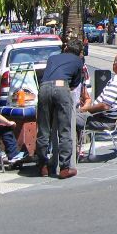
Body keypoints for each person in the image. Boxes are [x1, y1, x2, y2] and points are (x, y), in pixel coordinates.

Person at [36, 36, 85, 179]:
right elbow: (75, 83)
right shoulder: (78, 61)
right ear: (80, 51)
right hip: (62, 88)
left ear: (66, 48)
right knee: (64, 129)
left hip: (44, 88)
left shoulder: (53, 58)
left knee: (44, 128)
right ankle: (64, 168)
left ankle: (43, 166)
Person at [76, 52, 117, 134]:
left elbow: (105, 106)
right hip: (115, 121)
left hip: (104, 121)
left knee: (70, 117)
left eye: (114, 62)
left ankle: (69, 145)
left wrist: (86, 109)